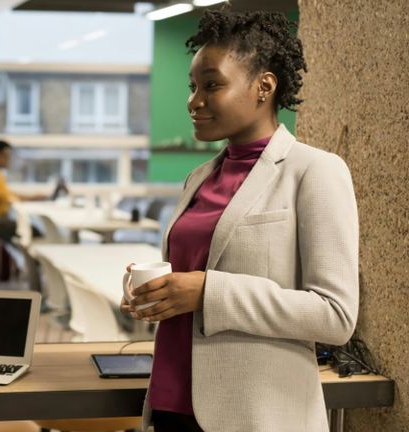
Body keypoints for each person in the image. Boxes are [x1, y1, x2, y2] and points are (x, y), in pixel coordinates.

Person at [122, 9, 358, 432]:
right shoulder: (199, 177)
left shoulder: (314, 171)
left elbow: (335, 315)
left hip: (256, 416)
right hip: (171, 407)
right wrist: (157, 293)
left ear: (264, 86)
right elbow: (190, 285)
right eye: (193, 86)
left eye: (212, 85)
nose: (194, 101)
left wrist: (208, 291)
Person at [0, 139, 43, 242]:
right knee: (31, 230)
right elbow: (11, 198)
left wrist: (34, 197)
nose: (9, 159)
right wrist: (35, 198)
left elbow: (9, 194)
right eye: (6, 155)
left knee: (24, 228)